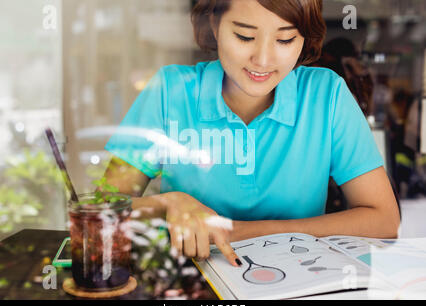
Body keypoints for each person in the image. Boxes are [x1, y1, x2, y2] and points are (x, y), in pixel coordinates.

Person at [101, 0, 400, 267]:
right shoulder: (169, 91)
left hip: (300, 279)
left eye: (285, 39)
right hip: (189, 283)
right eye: (245, 36)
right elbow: (101, 209)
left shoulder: (326, 95)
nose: (263, 60)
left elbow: (383, 219)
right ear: (215, 25)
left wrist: (239, 231)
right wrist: (166, 204)